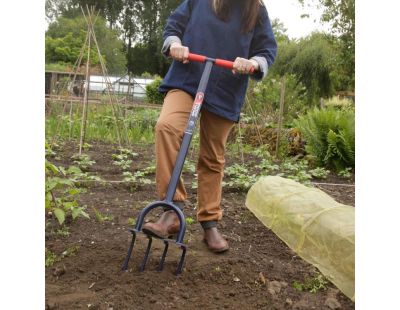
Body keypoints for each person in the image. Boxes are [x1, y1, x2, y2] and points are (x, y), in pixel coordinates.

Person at [142, 0, 277, 253]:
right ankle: (172, 209)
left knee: (212, 157)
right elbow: (174, 27)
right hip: (187, 76)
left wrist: (253, 63)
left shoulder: (256, 10)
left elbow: (267, 50)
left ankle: (209, 222)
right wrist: (175, 44)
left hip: (226, 87)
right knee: (166, 127)